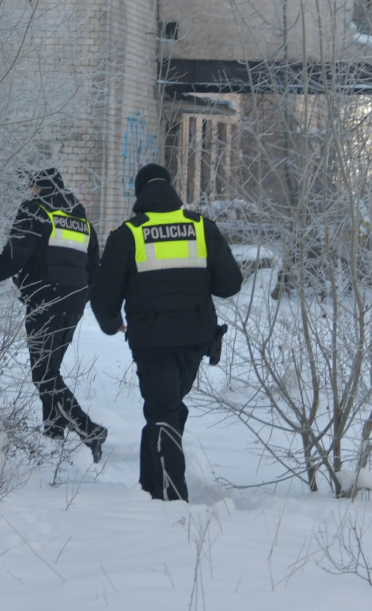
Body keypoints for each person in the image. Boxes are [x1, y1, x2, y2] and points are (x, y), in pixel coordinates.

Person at [90, 164, 242, 500]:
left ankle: (171, 499)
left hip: (152, 344)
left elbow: (103, 297)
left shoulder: (128, 234)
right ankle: (150, 488)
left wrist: (113, 324)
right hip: (195, 342)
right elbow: (230, 283)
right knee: (167, 410)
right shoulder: (202, 228)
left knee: (162, 413)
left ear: (139, 194)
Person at [0, 168, 108, 461]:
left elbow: (14, 256)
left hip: (45, 302)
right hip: (73, 304)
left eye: (31, 188)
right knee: (51, 371)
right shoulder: (81, 221)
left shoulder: (35, 211)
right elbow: (96, 271)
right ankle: (54, 432)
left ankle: (88, 429)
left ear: (38, 189)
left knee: (43, 374)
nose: (29, 193)